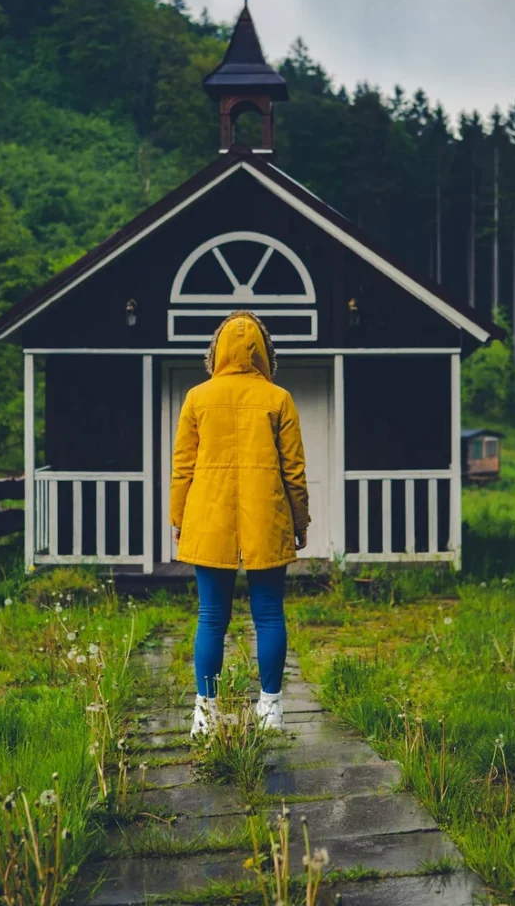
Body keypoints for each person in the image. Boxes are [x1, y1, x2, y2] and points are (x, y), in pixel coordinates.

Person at [169, 310, 310, 736]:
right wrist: (300, 520)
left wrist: (179, 518)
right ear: (265, 352)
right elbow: (294, 471)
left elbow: (182, 468)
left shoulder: (197, 397)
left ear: (217, 350)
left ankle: (205, 715)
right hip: (266, 514)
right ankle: (270, 710)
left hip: (208, 516)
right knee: (269, 614)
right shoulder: (279, 398)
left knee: (211, 615)